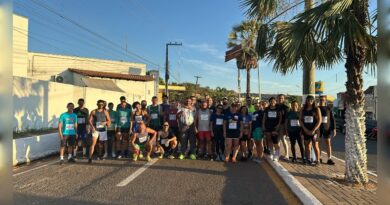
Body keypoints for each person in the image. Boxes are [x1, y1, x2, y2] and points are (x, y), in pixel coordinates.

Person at [300, 95, 322, 166]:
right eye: (308, 100)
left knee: (315, 145)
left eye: (311, 100)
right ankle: (308, 159)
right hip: (306, 130)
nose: (310, 102)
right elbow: (300, 120)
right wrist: (305, 129)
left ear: (313, 101)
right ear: (306, 101)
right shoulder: (303, 109)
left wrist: (314, 130)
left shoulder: (316, 109)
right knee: (307, 145)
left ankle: (317, 160)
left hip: (314, 131)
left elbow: (320, 120)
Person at [318, 95, 336, 165]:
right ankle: (319, 157)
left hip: (327, 128)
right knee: (319, 143)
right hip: (318, 128)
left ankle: (329, 158)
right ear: (318, 101)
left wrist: (334, 128)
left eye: (323, 100)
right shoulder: (317, 108)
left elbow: (332, 119)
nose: (321, 101)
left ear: (325, 100)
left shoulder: (328, 108)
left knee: (328, 143)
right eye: (320, 100)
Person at [262, 97, 282, 161]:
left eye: (274, 101)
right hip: (268, 126)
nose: (272, 102)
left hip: (275, 127)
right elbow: (264, 118)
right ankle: (272, 153)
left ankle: (277, 155)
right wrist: (263, 125)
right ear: (269, 102)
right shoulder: (267, 109)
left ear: (275, 102)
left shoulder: (278, 109)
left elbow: (280, 118)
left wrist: (278, 125)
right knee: (269, 140)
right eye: (271, 101)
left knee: (275, 141)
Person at [277, 94, 290, 160]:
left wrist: (285, 128)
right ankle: (278, 154)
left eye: (282, 98)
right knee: (277, 140)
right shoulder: (276, 106)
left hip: (282, 125)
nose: (280, 99)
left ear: (284, 99)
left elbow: (286, 118)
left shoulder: (286, 107)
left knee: (283, 139)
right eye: (279, 98)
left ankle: (287, 154)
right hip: (276, 125)